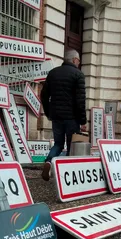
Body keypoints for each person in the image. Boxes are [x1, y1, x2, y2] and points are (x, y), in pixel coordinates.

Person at [40, 49, 87, 181]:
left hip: (56, 116)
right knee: (72, 146)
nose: (78, 63)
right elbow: (80, 100)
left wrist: (49, 112)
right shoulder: (78, 75)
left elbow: (44, 95)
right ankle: (66, 176)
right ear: (73, 60)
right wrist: (82, 120)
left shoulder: (53, 73)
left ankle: (49, 162)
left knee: (58, 144)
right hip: (72, 118)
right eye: (78, 60)